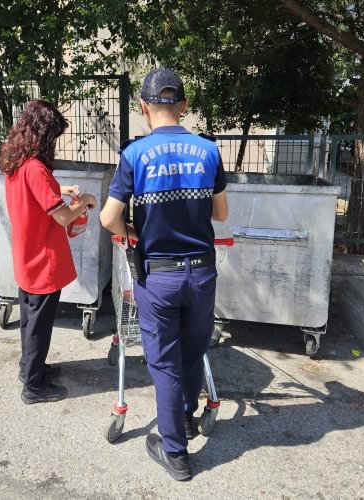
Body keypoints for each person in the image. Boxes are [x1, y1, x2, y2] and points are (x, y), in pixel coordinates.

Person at [99, 68, 228, 481]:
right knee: (192, 352)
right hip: (202, 273)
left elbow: (108, 219)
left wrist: (131, 231)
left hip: (159, 277)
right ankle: (186, 419)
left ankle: (175, 451)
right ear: (184, 106)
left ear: (143, 107)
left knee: (165, 363)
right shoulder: (208, 150)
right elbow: (221, 213)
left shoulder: (134, 155)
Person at [0, 99, 97, 405]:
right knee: (39, 325)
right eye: (52, 137)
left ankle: (30, 369)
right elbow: (63, 217)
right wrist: (86, 200)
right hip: (43, 259)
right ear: (42, 135)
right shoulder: (36, 168)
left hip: (26, 256)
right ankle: (34, 387)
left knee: (29, 319)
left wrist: (62, 188)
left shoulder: (16, 162)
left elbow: (37, 190)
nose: (53, 143)